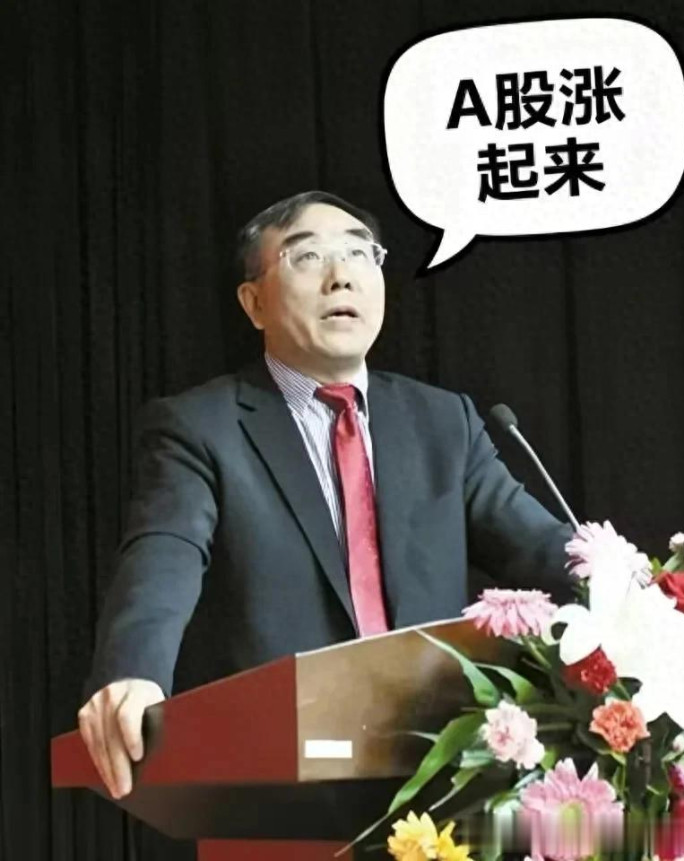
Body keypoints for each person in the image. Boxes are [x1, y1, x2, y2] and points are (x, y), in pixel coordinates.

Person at [78, 190, 574, 801]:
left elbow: (539, 545)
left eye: (360, 254)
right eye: (307, 257)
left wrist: (647, 595)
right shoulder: (202, 428)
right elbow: (164, 553)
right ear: (254, 302)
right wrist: (133, 672)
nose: (341, 276)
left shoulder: (443, 422)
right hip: (288, 776)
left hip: (442, 776)